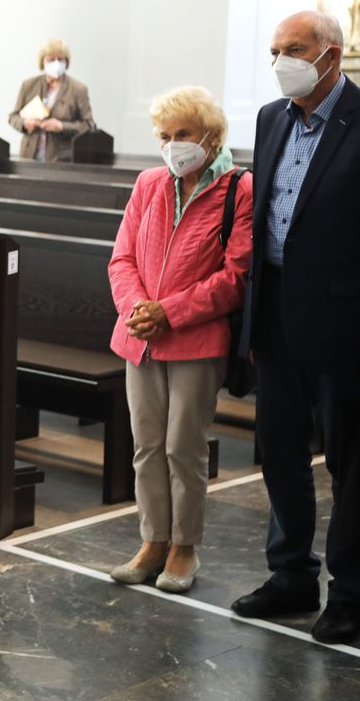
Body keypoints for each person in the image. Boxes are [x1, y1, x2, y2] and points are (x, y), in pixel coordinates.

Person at [231, 11, 360, 644]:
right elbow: (264, 226)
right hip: (279, 316)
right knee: (280, 454)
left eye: (293, 49)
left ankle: (350, 594)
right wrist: (254, 322)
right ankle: (291, 574)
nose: (280, 59)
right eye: (274, 49)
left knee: (350, 464)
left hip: (347, 328)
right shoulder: (271, 118)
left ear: (331, 55)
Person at [106, 87, 252, 593]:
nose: (173, 145)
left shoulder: (239, 189)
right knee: (146, 445)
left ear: (211, 137)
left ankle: (184, 547)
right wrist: (137, 311)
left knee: (182, 447)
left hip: (196, 338)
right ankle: (153, 542)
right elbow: (121, 258)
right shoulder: (149, 183)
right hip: (139, 337)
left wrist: (169, 312)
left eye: (183, 135)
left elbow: (235, 276)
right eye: (165, 136)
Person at [7, 38, 96, 162]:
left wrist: (62, 126)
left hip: (61, 159)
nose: (56, 64)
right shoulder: (29, 85)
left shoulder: (78, 89)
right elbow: (13, 117)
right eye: (51, 60)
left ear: (67, 62)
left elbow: (89, 125)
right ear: (42, 62)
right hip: (29, 157)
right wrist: (25, 123)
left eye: (60, 59)